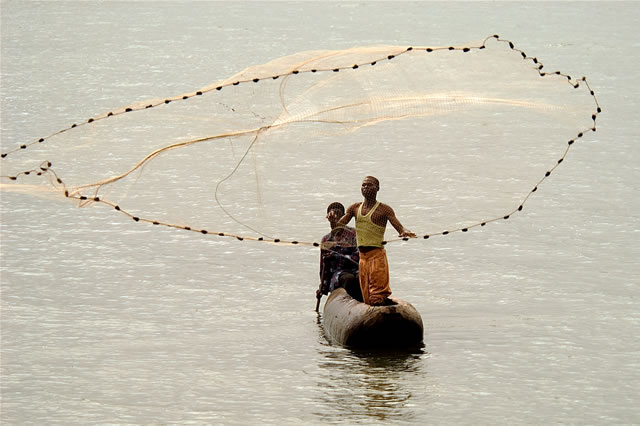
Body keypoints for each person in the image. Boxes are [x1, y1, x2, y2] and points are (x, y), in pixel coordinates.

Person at [335, 176, 416, 305]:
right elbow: (338, 228)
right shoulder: (355, 208)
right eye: (363, 185)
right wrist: (334, 221)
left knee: (377, 296)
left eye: (369, 185)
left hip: (377, 257)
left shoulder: (384, 209)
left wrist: (404, 232)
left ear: (377, 188)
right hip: (363, 258)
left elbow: (400, 228)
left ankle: (384, 307)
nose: (366, 188)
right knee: (366, 296)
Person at [316, 202, 361, 310]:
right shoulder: (326, 240)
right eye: (332, 217)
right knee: (348, 279)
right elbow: (324, 267)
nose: (335, 220)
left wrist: (341, 256)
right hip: (339, 273)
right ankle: (354, 306)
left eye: (339, 216)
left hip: (356, 268)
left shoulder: (353, 234)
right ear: (328, 218)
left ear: (344, 217)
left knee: (361, 277)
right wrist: (322, 287)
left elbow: (359, 255)